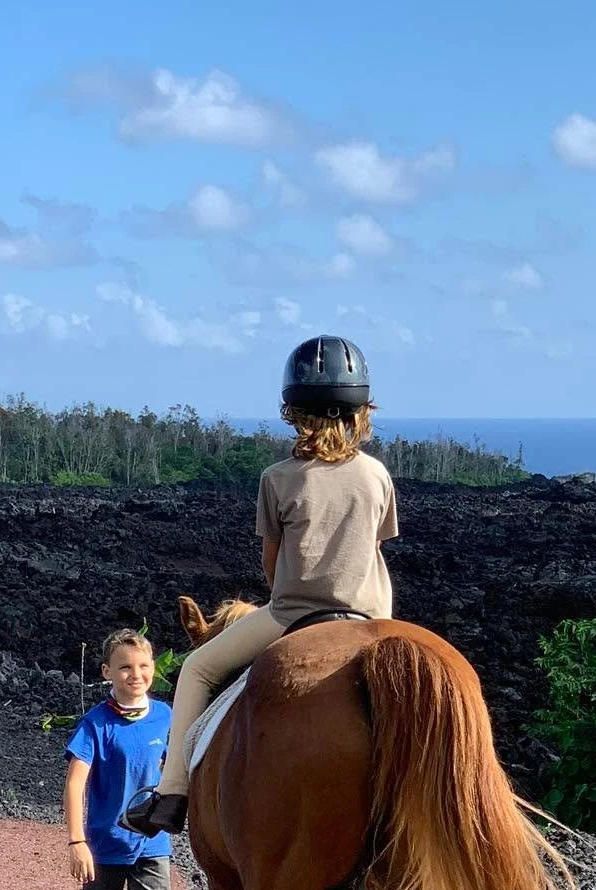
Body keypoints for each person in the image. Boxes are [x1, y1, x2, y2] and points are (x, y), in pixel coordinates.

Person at [123, 335, 399, 837]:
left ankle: (171, 796)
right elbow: (377, 545)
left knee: (197, 671)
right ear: (360, 413)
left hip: (295, 614)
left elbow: (273, 564)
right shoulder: (378, 475)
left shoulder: (278, 478)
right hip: (373, 620)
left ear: (293, 414)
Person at [60, 628, 194, 890]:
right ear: (106, 672)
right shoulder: (96, 724)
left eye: (142, 666)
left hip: (152, 850)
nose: (134, 674)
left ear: (153, 670)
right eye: (124, 667)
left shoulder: (169, 718)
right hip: (103, 849)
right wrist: (78, 841)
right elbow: (75, 782)